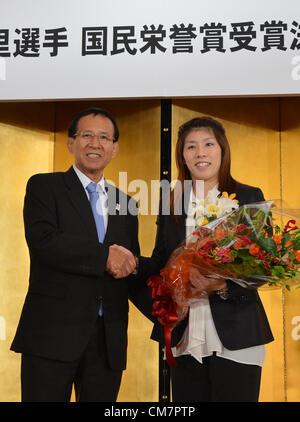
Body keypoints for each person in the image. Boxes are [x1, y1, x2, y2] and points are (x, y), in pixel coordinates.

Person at [11, 107, 147, 402]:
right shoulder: (44, 186)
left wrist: (172, 312)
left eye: (103, 137)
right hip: (52, 335)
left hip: (107, 340)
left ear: (114, 149)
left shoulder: (127, 204)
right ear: (71, 143)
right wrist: (104, 256)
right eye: (86, 135)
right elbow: (44, 241)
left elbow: (126, 267)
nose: (95, 143)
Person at [144, 116, 274, 402]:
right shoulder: (171, 201)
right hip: (184, 336)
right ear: (182, 156)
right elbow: (159, 261)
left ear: (222, 150)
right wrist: (126, 262)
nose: (200, 152)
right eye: (191, 147)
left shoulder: (248, 196)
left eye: (208, 144)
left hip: (238, 337)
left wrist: (223, 286)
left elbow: (264, 265)